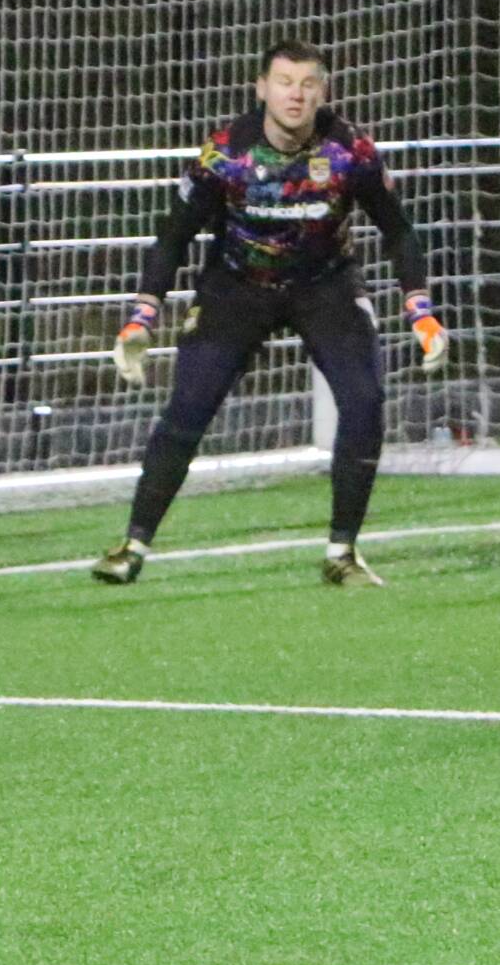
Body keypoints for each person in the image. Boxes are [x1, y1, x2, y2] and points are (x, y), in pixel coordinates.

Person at [92, 39, 448, 589]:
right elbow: (174, 235)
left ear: (322, 92)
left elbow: (398, 230)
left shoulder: (350, 150)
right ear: (262, 89)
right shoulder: (224, 154)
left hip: (325, 287)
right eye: (284, 82)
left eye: (307, 84)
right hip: (236, 289)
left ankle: (342, 553)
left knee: (365, 401)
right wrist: (142, 315)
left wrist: (420, 308)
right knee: (188, 408)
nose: (295, 95)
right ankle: (132, 545)